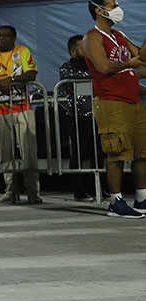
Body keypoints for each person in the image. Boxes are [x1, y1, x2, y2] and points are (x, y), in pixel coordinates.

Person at [82, 0, 146, 218]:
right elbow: (103, 66)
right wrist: (129, 63)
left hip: (133, 101)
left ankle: (142, 198)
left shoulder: (119, 35)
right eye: (113, 5)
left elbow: (142, 57)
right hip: (111, 101)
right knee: (116, 152)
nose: (118, 9)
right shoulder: (91, 37)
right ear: (99, 10)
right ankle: (115, 202)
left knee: (141, 152)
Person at [0, 25, 42, 204]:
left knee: (29, 152)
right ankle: (10, 190)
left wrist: (9, 80)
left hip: (22, 109)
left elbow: (31, 73)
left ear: (14, 38)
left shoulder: (22, 52)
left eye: (5, 36)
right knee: (5, 153)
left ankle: (33, 192)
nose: (1, 39)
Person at [58, 34, 97, 201]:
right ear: (74, 51)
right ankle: (79, 190)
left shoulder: (94, 64)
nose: (87, 50)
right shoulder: (66, 67)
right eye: (83, 47)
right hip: (76, 116)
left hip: (96, 114)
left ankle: (98, 187)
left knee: (98, 153)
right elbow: (69, 82)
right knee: (79, 152)